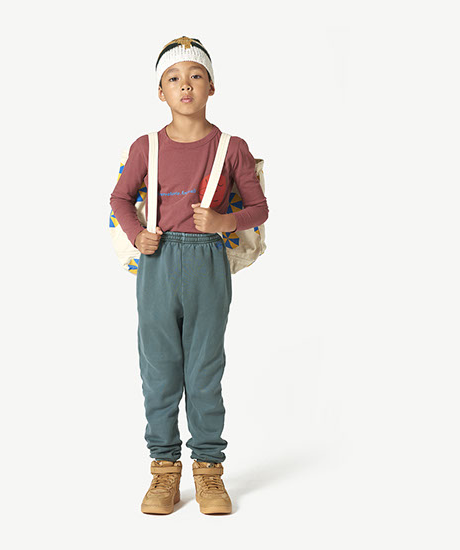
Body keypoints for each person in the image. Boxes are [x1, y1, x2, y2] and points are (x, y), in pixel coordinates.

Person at [109, 36, 269, 515]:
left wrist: (223, 222)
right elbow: (120, 198)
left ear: (211, 87)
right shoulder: (146, 146)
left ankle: (209, 470)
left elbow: (259, 208)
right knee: (158, 370)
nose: (185, 85)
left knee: (203, 371)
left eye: (196, 76)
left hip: (208, 265)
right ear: (160, 92)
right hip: (157, 264)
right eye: (174, 78)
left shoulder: (231, 147)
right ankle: (163, 469)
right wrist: (138, 234)